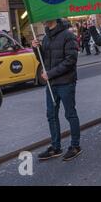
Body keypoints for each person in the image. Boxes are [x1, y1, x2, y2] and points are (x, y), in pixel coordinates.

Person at [31, 19, 82, 161]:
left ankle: (75, 146)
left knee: (70, 114)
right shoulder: (47, 37)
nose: (43, 20)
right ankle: (56, 147)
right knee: (51, 115)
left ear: (53, 17)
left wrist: (51, 74)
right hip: (51, 84)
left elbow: (71, 60)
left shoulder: (68, 35)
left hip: (65, 82)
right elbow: (43, 60)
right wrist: (36, 49)